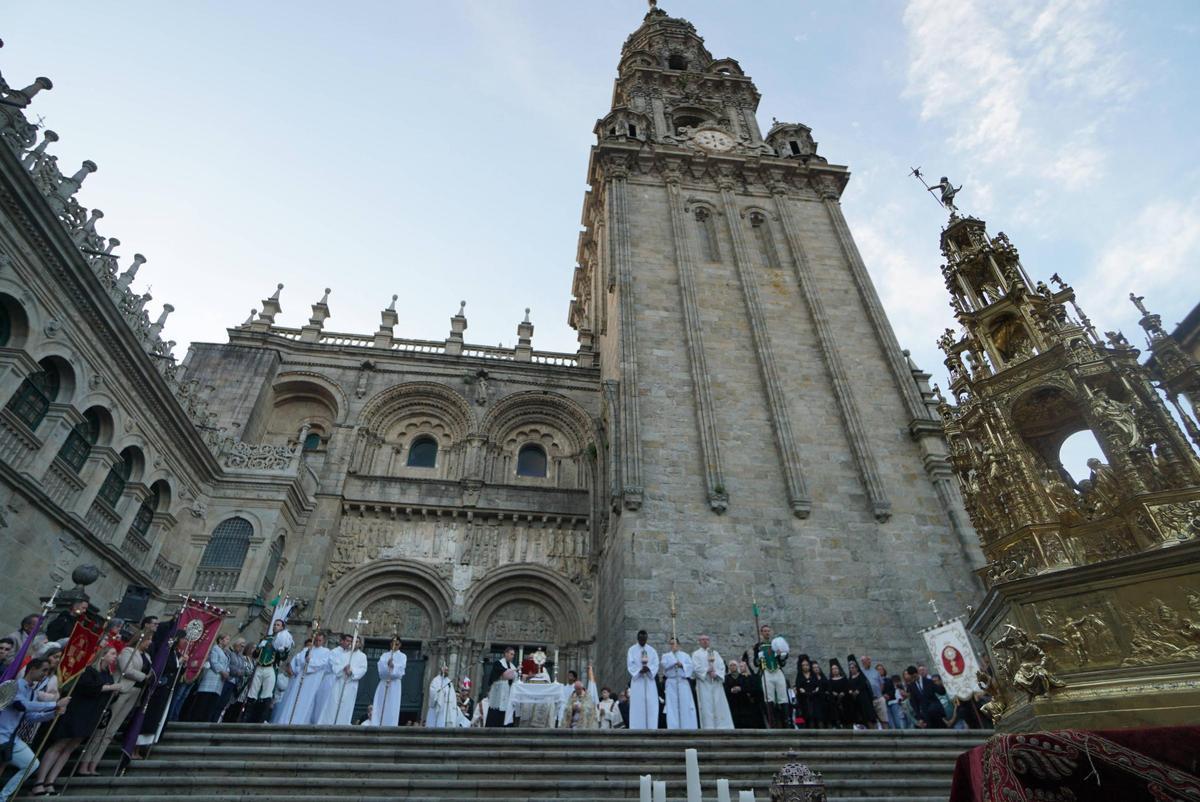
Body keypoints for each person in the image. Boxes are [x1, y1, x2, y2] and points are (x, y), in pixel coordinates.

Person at [34, 645, 118, 795]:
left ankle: (51, 781)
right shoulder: (89, 670)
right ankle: (39, 781)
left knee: (70, 748)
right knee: (60, 745)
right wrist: (109, 687)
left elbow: (108, 695)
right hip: (77, 711)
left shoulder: (108, 674)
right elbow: (88, 687)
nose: (114, 656)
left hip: (91, 715)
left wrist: (114, 690)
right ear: (103, 655)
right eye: (112, 653)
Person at [79, 632, 152, 773]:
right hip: (122, 689)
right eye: (148, 639)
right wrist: (145, 677)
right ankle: (84, 763)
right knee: (103, 729)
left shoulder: (147, 657)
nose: (150, 643)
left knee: (111, 731)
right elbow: (126, 669)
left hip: (135, 693)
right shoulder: (128, 651)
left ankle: (94, 764)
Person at [1, 657, 70, 800]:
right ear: (32, 669)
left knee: (31, 764)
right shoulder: (14, 685)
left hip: (13, 738)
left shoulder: (32, 692)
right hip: (1, 735)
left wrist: (53, 713)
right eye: (43, 670)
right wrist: (54, 704)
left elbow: (31, 717)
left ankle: (3, 796)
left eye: (48, 671)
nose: (45, 674)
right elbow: (21, 705)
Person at [136, 633, 187, 756]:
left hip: (168, 689)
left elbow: (177, 671)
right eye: (183, 638)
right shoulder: (167, 652)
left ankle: (145, 746)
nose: (185, 641)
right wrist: (180, 661)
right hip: (159, 689)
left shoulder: (176, 653)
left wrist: (183, 664)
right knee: (150, 716)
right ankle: (136, 748)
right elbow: (167, 666)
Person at [246, 620, 292, 723]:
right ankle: (247, 717)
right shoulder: (266, 638)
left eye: (278, 625)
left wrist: (282, 651)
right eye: (275, 625)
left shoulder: (283, 640)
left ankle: (262, 718)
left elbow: (283, 657)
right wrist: (258, 649)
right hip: (259, 667)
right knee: (253, 691)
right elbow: (255, 655)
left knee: (267, 693)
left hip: (271, 667)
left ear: (282, 628)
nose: (275, 626)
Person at [746, 624, 789, 728]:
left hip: (777, 670)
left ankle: (786, 721)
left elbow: (783, 662)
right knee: (768, 697)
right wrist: (759, 658)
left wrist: (781, 656)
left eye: (768, 631)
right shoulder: (758, 646)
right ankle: (771, 722)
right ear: (761, 633)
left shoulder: (776, 644)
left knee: (783, 695)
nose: (767, 633)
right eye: (765, 631)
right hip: (766, 672)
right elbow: (756, 663)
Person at [319, 633, 368, 725]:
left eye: (357, 642)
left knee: (346, 705)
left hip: (351, 684)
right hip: (339, 682)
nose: (354, 644)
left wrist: (352, 671)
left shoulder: (362, 656)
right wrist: (343, 668)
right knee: (333, 703)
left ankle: (341, 724)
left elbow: (363, 669)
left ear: (360, 644)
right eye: (353, 642)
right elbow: (335, 666)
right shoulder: (344, 654)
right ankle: (328, 723)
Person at [282, 632, 331, 725]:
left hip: (313, 680)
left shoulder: (326, 652)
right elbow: (299, 660)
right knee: (295, 698)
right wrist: (305, 660)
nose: (317, 642)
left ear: (324, 641)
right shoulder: (307, 650)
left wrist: (309, 662)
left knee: (307, 700)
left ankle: (301, 722)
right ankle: (288, 720)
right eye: (316, 640)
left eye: (320, 640)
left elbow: (322, 663)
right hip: (301, 677)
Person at [691, 634, 733, 730]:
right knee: (706, 705)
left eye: (707, 640)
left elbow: (722, 666)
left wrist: (716, 673)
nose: (705, 641)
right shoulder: (696, 654)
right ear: (699, 642)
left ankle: (722, 726)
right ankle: (708, 726)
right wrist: (707, 670)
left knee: (719, 704)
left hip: (716, 683)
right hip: (704, 683)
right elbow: (695, 668)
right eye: (703, 640)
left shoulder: (715, 653)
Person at [191, 633, 230, 723]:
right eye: (227, 639)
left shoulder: (225, 652)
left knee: (211, 704)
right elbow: (213, 661)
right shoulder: (215, 649)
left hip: (219, 682)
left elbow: (227, 665)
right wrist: (222, 671)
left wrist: (227, 672)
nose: (228, 641)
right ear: (220, 640)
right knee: (203, 702)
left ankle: (205, 721)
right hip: (211, 679)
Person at [660, 637, 697, 729]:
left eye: (675, 643)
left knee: (685, 703)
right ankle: (673, 726)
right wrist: (674, 662)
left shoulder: (685, 655)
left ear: (679, 645)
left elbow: (690, 668)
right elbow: (664, 665)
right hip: (671, 682)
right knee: (672, 705)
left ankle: (687, 725)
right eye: (671, 644)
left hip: (682, 681)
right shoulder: (666, 656)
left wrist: (682, 665)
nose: (673, 646)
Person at [626, 630, 659, 729]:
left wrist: (649, 669)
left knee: (651, 704)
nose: (642, 641)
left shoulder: (652, 650)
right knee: (637, 705)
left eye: (644, 639)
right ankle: (637, 727)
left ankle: (652, 727)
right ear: (638, 638)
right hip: (638, 681)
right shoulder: (632, 650)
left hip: (649, 680)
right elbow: (630, 664)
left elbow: (655, 664)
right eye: (641, 639)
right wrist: (638, 671)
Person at [371, 636, 407, 726]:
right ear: (390, 644)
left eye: (397, 644)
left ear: (400, 645)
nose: (395, 646)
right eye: (393, 643)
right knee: (380, 704)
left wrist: (393, 666)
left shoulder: (403, 656)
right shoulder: (384, 655)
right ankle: (377, 723)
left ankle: (390, 724)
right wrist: (387, 666)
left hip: (394, 684)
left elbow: (401, 670)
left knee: (392, 705)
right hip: (384, 682)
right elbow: (380, 670)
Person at [483, 646, 518, 727]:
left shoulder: (512, 666)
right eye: (511, 654)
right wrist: (514, 671)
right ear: (506, 654)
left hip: (508, 692)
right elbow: (505, 674)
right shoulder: (498, 663)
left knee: (506, 710)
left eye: (513, 655)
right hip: (498, 690)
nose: (512, 656)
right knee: (496, 710)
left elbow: (515, 678)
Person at [906, 663, 944, 729]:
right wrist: (919, 718)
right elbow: (914, 704)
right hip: (925, 714)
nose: (914, 678)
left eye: (914, 676)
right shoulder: (911, 687)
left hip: (936, 711)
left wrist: (942, 683)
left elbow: (941, 692)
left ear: (917, 673)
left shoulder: (928, 682)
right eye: (912, 677)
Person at [858, 655, 889, 729]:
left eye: (869, 660)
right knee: (871, 720)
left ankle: (887, 736)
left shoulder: (875, 672)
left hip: (878, 698)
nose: (868, 662)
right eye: (865, 660)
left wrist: (879, 693)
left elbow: (881, 683)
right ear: (862, 662)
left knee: (884, 718)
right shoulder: (860, 672)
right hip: (868, 700)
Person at [845, 657, 875, 730]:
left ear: (856, 668)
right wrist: (850, 691)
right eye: (850, 668)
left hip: (864, 699)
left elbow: (864, 684)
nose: (852, 669)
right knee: (862, 717)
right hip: (856, 700)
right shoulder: (850, 678)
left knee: (868, 716)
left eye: (853, 668)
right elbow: (849, 687)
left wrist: (858, 690)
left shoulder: (861, 676)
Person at [426, 664, 457, 728]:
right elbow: (432, 692)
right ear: (441, 670)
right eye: (445, 670)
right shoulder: (436, 680)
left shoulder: (449, 681)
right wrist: (439, 693)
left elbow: (452, 694)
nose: (446, 672)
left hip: (446, 707)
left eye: (447, 670)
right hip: (437, 706)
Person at [827, 659, 850, 728]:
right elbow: (829, 690)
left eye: (836, 668)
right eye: (833, 669)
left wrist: (843, 692)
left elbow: (847, 688)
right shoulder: (830, 681)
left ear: (839, 669)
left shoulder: (844, 679)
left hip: (845, 701)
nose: (835, 670)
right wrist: (833, 693)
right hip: (835, 702)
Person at [807, 660, 828, 729]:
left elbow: (827, 686)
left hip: (824, 700)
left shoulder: (823, 677)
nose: (816, 669)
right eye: (814, 667)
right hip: (815, 701)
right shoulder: (811, 678)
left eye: (817, 667)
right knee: (818, 717)